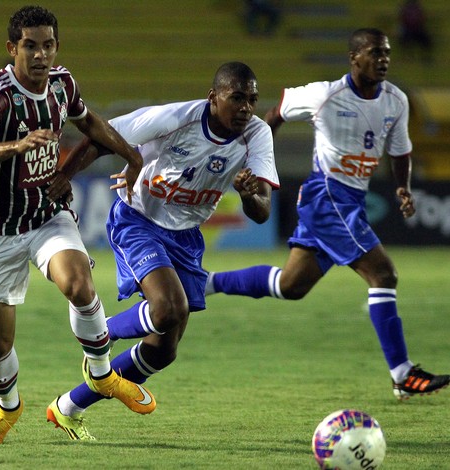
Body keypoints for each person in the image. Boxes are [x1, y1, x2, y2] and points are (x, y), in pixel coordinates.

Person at [206, 28, 450, 401]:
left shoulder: (396, 101)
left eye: (386, 53)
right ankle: (402, 374)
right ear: (354, 58)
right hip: (328, 196)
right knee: (383, 274)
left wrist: (402, 186)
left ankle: (203, 283)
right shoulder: (324, 94)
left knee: (291, 286)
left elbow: (400, 150)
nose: (383, 59)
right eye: (374, 53)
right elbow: (275, 113)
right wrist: (254, 157)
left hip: (349, 199)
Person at [44, 61, 279, 440]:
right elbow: (103, 135)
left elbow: (263, 211)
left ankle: (68, 406)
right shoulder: (177, 118)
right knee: (169, 308)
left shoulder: (257, 134)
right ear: (213, 98)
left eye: (252, 100)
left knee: (163, 350)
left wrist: (250, 192)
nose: (246, 108)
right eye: (237, 98)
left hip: (186, 235)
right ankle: (100, 338)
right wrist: (63, 178)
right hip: (138, 220)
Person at [0, 5, 156, 445]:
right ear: (13, 49)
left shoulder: (63, 84)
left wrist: (132, 154)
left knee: (80, 284)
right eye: (30, 46)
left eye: (48, 45)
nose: (40, 55)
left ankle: (102, 375)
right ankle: (8, 408)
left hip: (47, 214)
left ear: (57, 47)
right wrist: (18, 145)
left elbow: (90, 123)